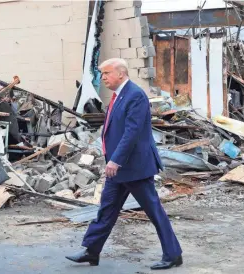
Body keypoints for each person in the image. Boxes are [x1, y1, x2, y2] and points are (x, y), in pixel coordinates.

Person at [65, 58, 183, 270]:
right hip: (118, 169)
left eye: (106, 74)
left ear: (121, 73)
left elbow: (132, 133)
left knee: (154, 212)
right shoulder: (119, 96)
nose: (103, 78)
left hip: (134, 168)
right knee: (107, 209)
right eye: (102, 75)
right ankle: (91, 251)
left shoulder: (135, 95)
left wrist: (116, 160)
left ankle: (173, 255)